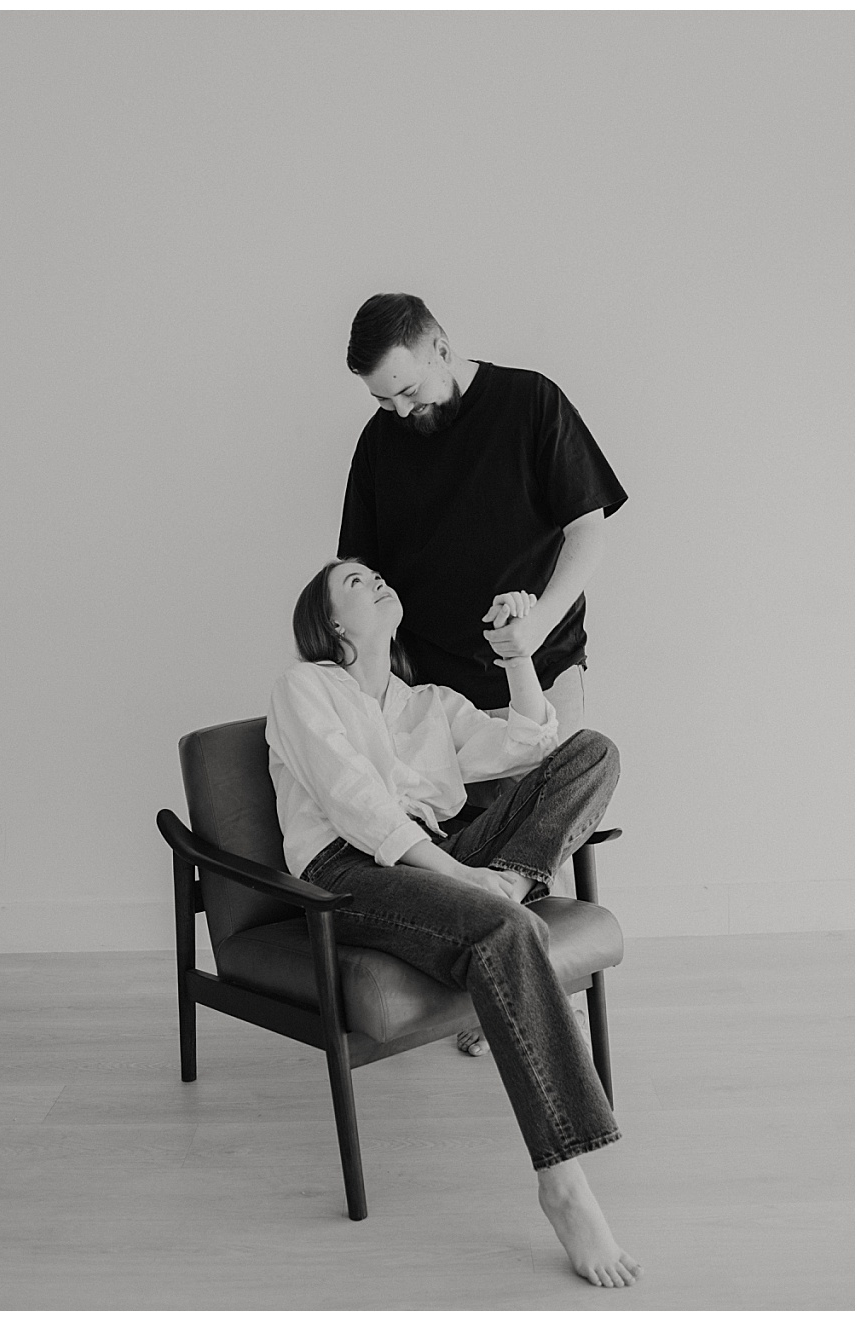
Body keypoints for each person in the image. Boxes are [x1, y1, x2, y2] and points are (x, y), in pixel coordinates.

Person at [265, 558, 641, 1289]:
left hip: (437, 856)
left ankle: (512, 883)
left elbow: (533, 744)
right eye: (353, 582)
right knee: (509, 930)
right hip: (348, 873)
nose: (373, 579)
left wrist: (519, 654)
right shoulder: (303, 687)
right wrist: (466, 881)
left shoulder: (427, 702)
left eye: (374, 573)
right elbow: (355, 805)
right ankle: (563, 1182)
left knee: (593, 752)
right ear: (331, 624)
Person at [337, 292, 628, 1055]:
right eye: (381, 397)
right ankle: (491, 976)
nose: (398, 409)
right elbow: (356, 568)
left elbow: (587, 528)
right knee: (468, 834)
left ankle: (516, 979)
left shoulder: (530, 401)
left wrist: (539, 620)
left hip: (540, 659)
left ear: (438, 344)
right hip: (434, 684)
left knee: (557, 794)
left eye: (406, 388)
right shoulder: (379, 442)